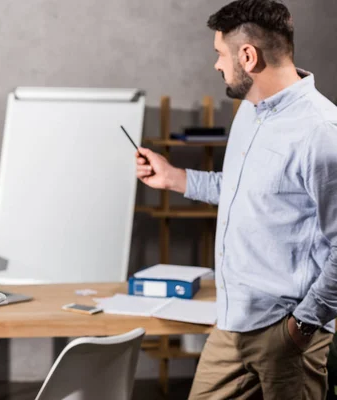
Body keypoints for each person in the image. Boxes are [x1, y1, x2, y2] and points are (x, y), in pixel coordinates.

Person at [135, 1, 337, 398]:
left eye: (219, 54)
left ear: (248, 56)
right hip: (231, 323)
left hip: (287, 333)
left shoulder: (321, 132)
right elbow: (244, 190)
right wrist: (175, 178)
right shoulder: (249, 111)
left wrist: (303, 326)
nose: (217, 65)